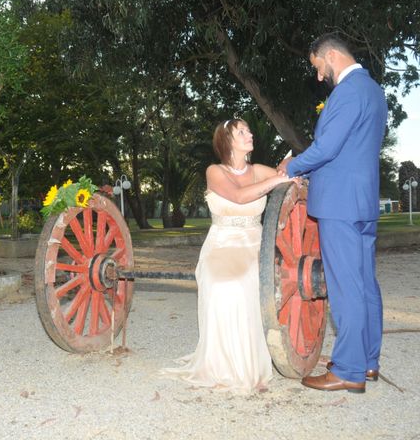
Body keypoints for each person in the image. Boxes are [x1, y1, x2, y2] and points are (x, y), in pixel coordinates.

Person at [278, 33, 387, 393]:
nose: (319, 76)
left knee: (345, 286)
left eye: (318, 67)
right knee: (365, 282)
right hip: (363, 201)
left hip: (340, 203)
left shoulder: (348, 91)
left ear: (333, 56)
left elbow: (327, 148)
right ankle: (367, 360)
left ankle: (349, 370)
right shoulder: (373, 90)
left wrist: (291, 167)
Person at [160, 118, 296, 395]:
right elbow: (240, 196)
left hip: (255, 245)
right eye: (242, 132)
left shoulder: (258, 169)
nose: (250, 134)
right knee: (222, 286)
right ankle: (222, 367)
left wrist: (286, 167)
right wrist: (278, 179)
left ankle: (250, 367)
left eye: (249, 129)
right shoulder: (215, 171)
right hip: (221, 245)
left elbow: (290, 176)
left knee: (246, 282)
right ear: (227, 141)